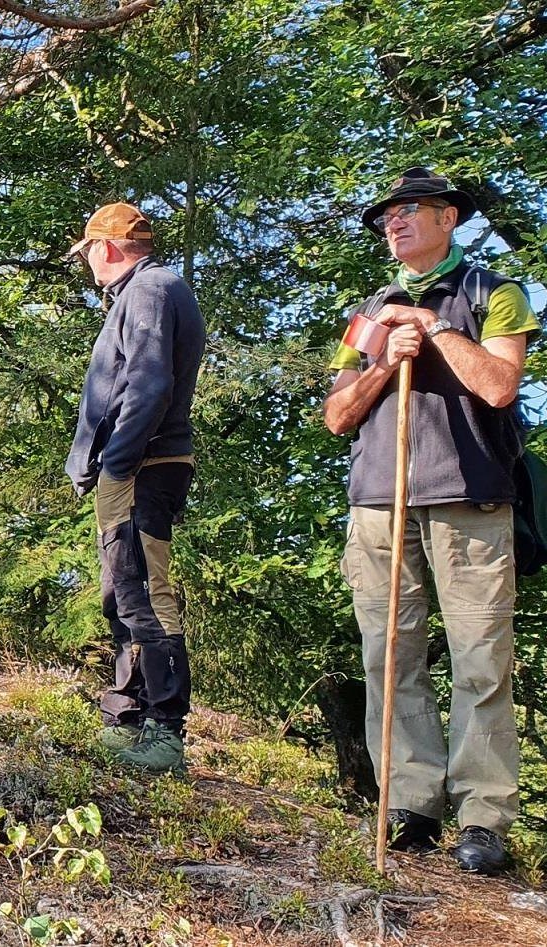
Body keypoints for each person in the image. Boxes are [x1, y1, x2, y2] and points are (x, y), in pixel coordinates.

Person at [322, 167, 537, 875]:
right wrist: (386, 358)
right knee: (390, 653)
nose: (393, 222)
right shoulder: (369, 309)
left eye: (408, 210)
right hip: (380, 501)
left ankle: (482, 814)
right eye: (386, 215)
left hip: (467, 496)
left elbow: (499, 385)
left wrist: (436, 328)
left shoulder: (491, 292)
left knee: (480, 656)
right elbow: (338, 413)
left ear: (449, 218)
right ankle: (411, 802)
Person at [65, 202, 205, 773]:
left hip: (144, 466)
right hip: (134, 467)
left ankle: (164, 731)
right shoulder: (143, 292)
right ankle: (126, 717)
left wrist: (117, 462)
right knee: (123, 593)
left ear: (107, 247)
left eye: (88, 252)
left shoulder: (149, 290)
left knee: (146, 592)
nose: (87, 263)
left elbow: (148, 384)